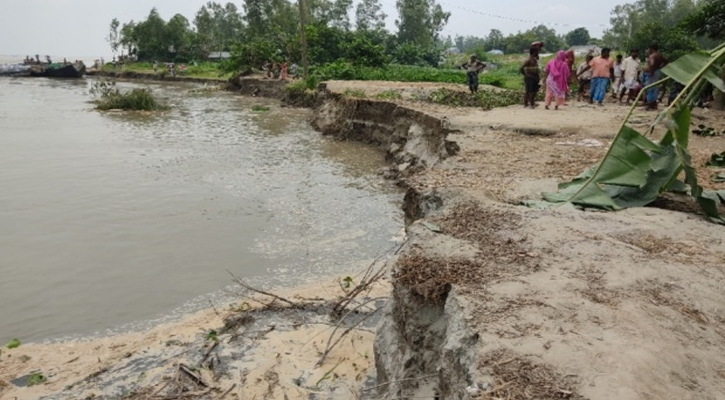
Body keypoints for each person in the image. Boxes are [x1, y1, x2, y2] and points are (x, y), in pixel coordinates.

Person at [642, 44, 667, 110]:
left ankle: (650, 104)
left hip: (652, 73)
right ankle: (653, 104)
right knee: (654, 88)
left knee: (650, 88)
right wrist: (659, 68)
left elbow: (652, 64)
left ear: (651, 49)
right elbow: (666, 61)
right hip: (657, 71)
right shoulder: (659, 55)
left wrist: (651, 71)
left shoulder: (652, 56)